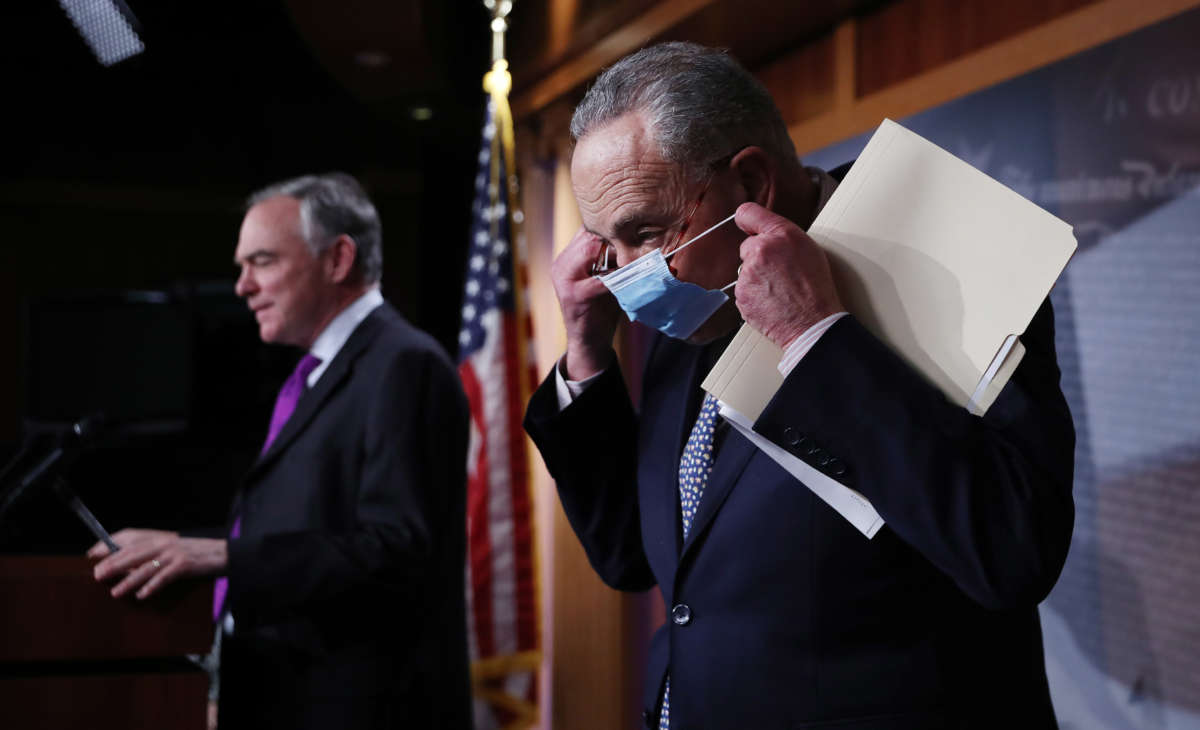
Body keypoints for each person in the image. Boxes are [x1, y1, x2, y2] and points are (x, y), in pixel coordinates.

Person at [524, 43, 1075, 729]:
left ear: (751, 186)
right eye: (607, 244)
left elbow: (1013, 553)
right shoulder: (694, 304)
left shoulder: (961, 258)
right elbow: (634, 557)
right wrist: (584, 351)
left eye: (644, 232)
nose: (627, 276)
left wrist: (818, 339)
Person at [90, 173, 473, 729]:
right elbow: (305, 527)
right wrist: (190, 548)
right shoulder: (319, 370)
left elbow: (398, 550)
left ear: (338, 258)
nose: (242, 285)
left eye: (262, 262)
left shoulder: (403, 364)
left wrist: (220, 555)